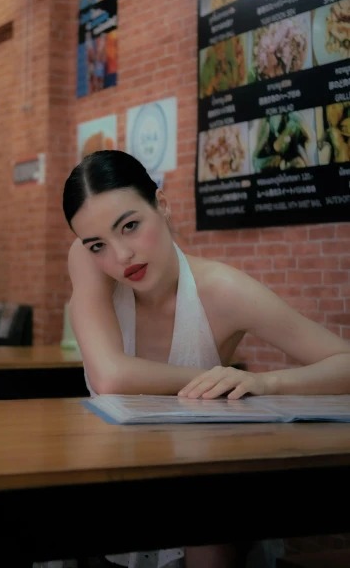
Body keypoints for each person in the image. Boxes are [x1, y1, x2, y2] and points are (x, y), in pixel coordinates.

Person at [62, 150, 350, 568]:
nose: (120, 256)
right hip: (108, 476)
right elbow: (109, 377)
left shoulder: (223, 290)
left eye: (130, 226)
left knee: (208, 536)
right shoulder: (86, 261)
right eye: (98, 244)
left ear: (162, 205)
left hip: (197, 479)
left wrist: (266, 383)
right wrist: (211, 377)